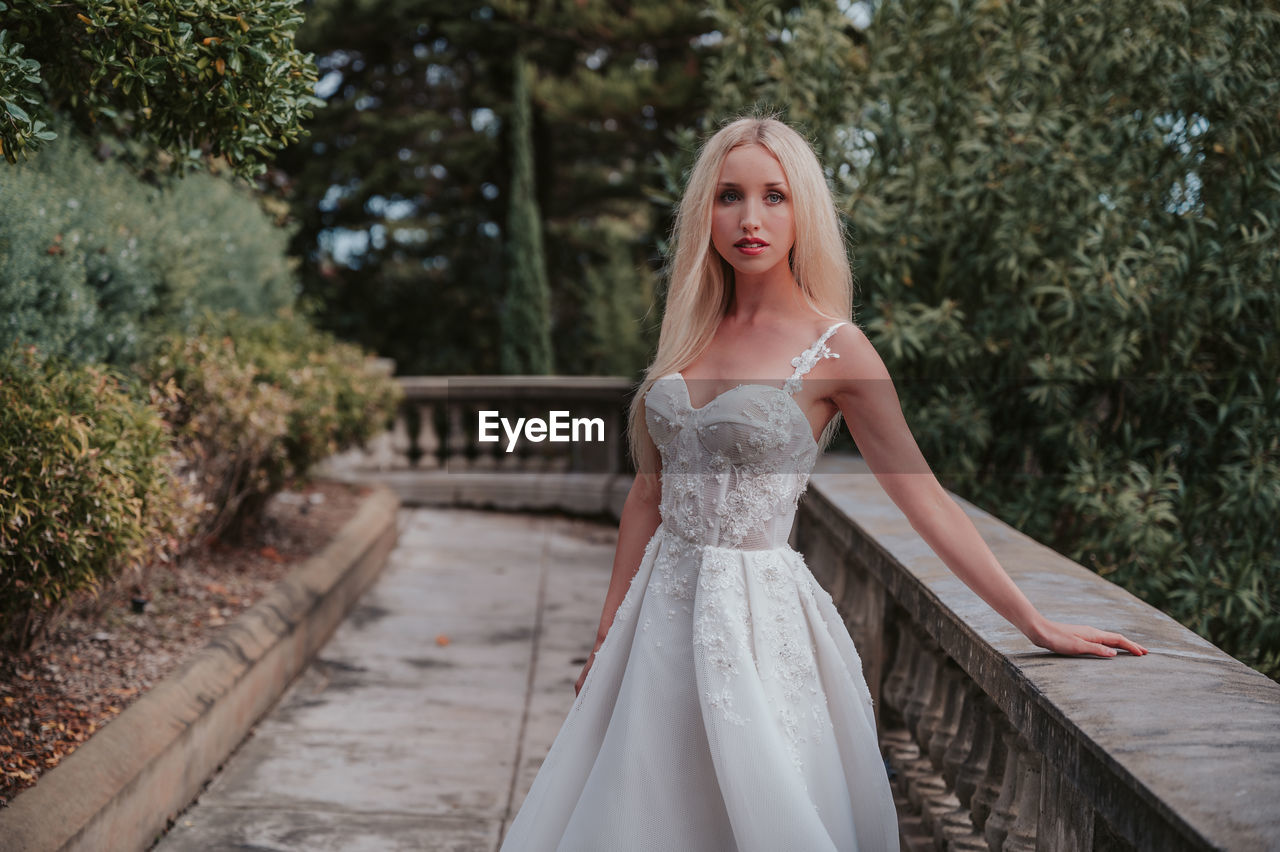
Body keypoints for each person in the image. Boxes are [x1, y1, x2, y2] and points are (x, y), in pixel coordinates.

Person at [499, 115, 1148, 852]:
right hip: (656, 620)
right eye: (729, 196)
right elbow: (648, 495)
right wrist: (605, 633)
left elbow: (924, 496)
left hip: (755, 623)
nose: (750, 219)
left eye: (774, 196)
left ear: (803, 209)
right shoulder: (687, 334)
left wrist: (1034, 623)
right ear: (702, 212)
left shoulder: (837, 349)